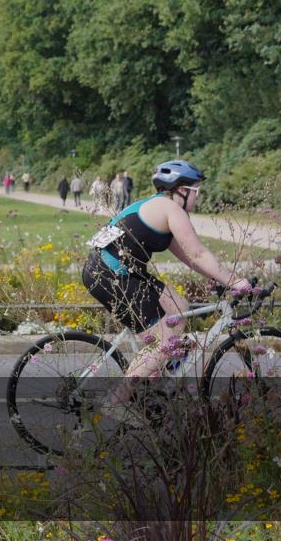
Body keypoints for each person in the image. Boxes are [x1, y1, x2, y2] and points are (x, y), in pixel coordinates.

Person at [81, 160, 250, 414]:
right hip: (112, 273)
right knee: (166, 342)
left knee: (178, 309)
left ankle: (152, 378)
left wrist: (224, 278)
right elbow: (199, 254)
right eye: (196, 191)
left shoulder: (159, 207)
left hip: (119, 270)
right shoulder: (172, 210)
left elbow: (190, 258)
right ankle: (114, 403)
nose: (197, 197)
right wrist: (236, 281)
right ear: (181, 190)